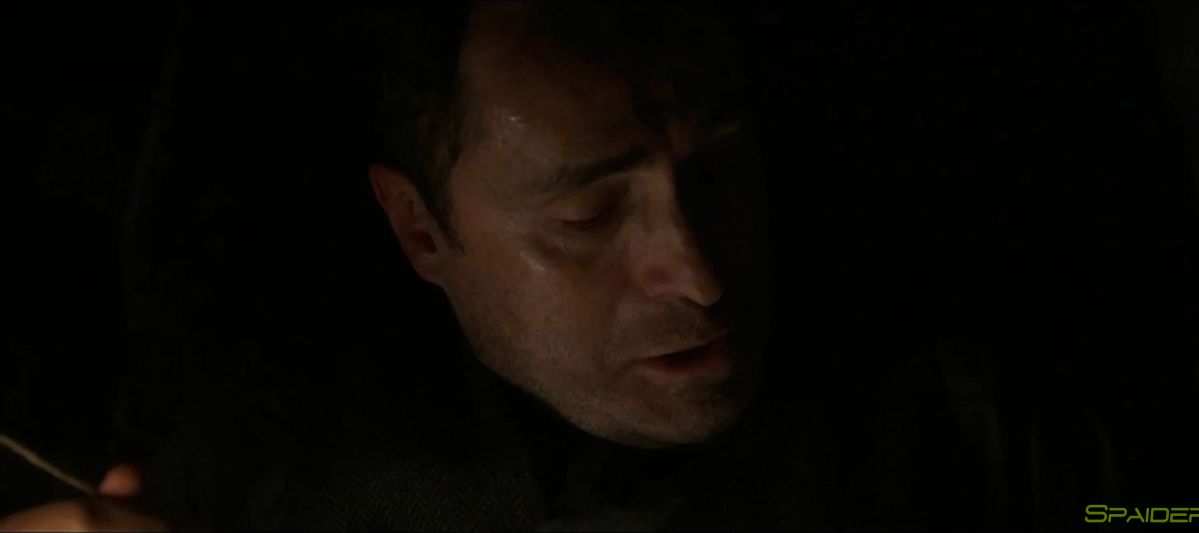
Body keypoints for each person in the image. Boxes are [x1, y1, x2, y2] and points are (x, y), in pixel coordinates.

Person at [0, 2, 853, 531]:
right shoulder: (269, 461)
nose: (701, 274)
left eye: (718, 170)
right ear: (419, 227)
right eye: (588, 217)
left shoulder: (905, 381)